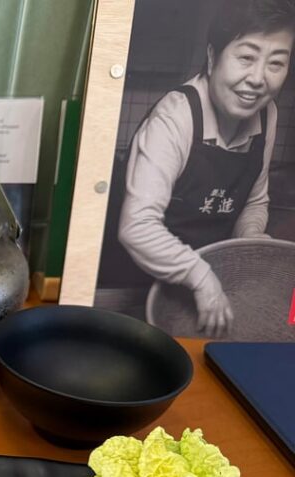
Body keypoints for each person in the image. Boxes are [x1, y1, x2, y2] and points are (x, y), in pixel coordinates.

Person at [116, 0, 295, 336]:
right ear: (213, 57)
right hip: (133, 283)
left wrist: (252, 242)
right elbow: (137, 227)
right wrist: (200, 276)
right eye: (246, 57)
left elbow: (254, 201)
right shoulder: (175, 119)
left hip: (208, 282)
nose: (258, 79)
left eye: (276, 63)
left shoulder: (267, 114)